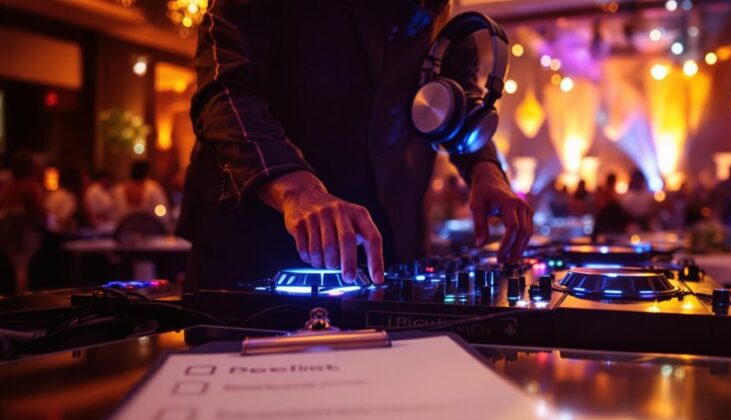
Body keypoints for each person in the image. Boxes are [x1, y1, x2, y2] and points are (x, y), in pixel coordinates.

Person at [179, 1, 532, 290]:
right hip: (250, 251)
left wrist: (486, 171)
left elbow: (458, 103)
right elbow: (225, 90)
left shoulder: (441, 18)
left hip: (384, 253)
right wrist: (294, 188)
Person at [0, 151, 45, 226]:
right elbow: (42, 216)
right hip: (23, 234)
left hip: (5, 233)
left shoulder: (7, 188)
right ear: (29, 169)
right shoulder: (30, 187)